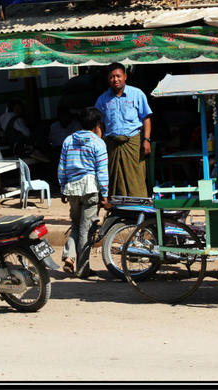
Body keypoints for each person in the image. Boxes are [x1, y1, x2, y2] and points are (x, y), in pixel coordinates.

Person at [58, 107, 110, 279]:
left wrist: (62, 188)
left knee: (77, 224)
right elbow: (102, 172)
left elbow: (62, 167)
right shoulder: (98, 143)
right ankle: (82, 269)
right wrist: (105, 194)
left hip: (72, 188)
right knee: (86, 230)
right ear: (97, 124)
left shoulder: (68, 141)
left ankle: (69, 256)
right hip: (90, 189)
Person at [95, 62, 153, 198]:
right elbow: (99, 125)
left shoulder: (137, 94)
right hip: (111, 144)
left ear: (125, 76)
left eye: (118, 76)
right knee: (114, 179)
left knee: (136, 177)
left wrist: (146, 140)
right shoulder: (102, 99)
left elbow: (146, 119)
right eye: (111, 77)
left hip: (133, 143)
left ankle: (138, 209)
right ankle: (118, 210)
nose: (115, 80)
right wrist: (97, 145)